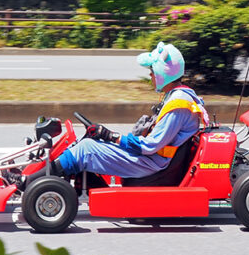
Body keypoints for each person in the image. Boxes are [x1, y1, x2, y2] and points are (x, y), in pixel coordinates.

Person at [48, 41, 209, 180]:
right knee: (89, 143)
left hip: (152, 162)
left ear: (162, 73)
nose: (150, 75)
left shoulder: (178, 104)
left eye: (152, 71)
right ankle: (42, 177)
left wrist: (110, 135)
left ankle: (33, 182)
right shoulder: (176, 95)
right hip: (151, 158)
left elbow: (149, 146)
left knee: (85, 150)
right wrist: (108, 137)